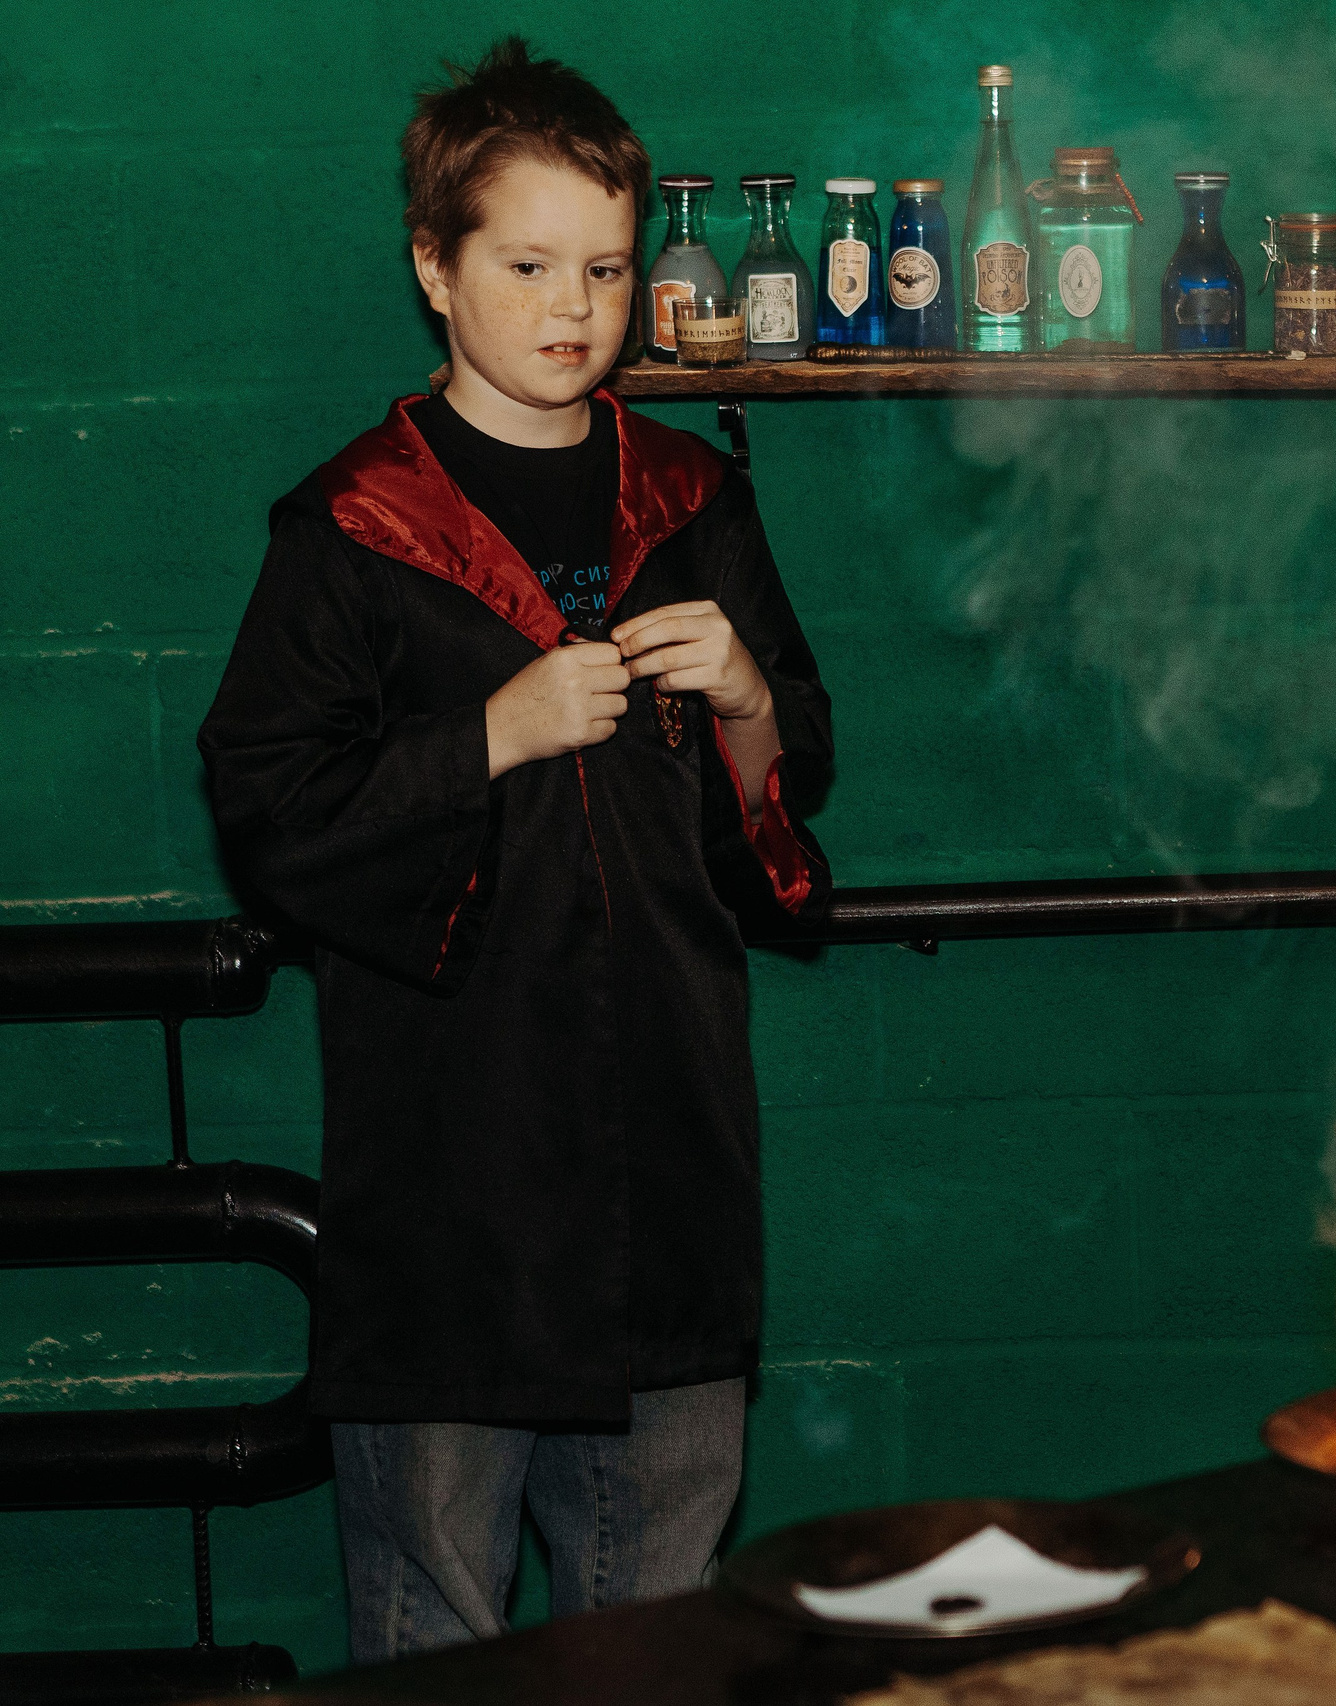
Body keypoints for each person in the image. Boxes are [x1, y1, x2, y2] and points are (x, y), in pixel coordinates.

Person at [196, 39, 831, 1662]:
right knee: (438, 1624)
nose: (575, 305)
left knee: (661, 1626)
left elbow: (784, 793)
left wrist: (750, 694)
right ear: (435, 266)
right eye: (530, 263)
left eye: (606, 267)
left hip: (670, 1156)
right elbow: (267, 804)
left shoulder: (689, 496)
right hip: (456, 1178)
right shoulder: (350, 531)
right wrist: (492, 731)